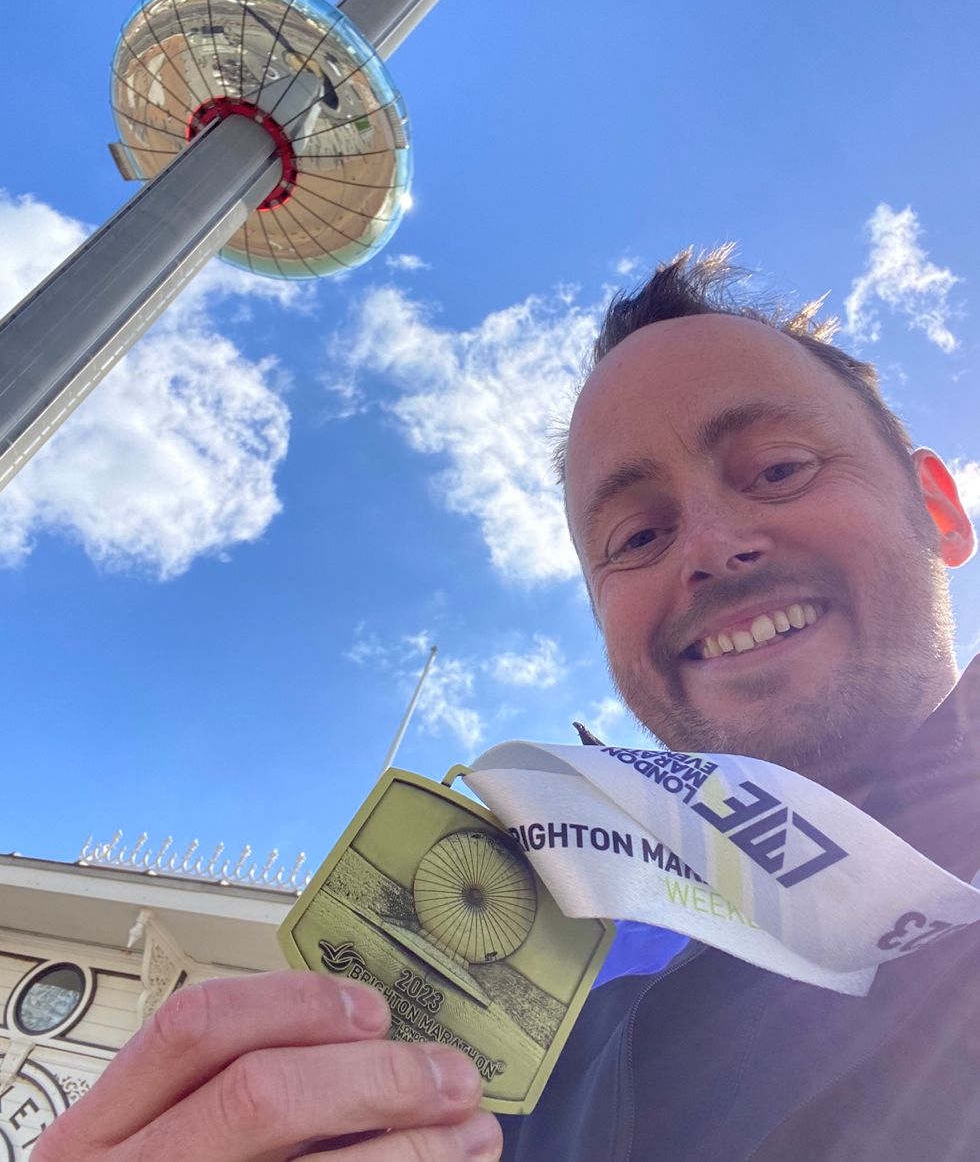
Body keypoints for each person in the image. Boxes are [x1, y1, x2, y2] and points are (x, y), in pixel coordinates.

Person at [33, 248, 978, 1161]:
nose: (710, 545)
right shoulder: (524, 1038)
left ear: (938, 506)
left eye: (779, 468)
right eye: (637, 535)